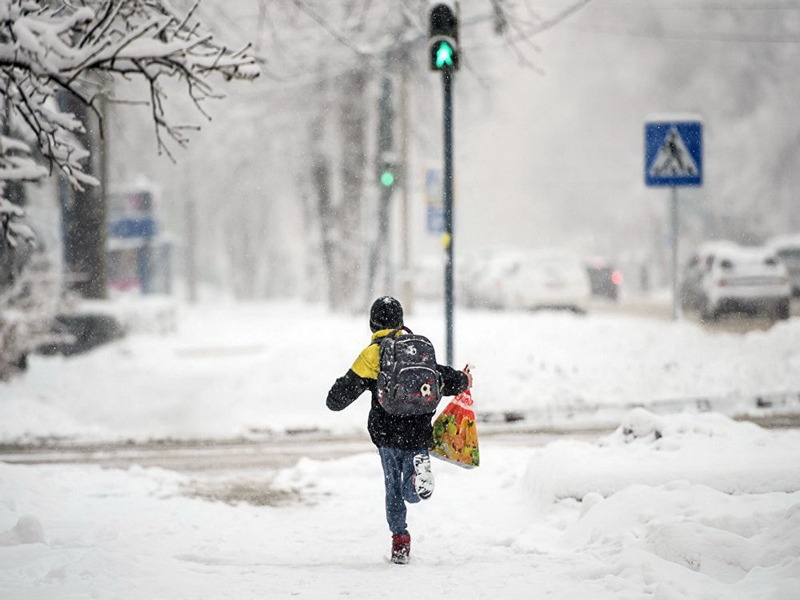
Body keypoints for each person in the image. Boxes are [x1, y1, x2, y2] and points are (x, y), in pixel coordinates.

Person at [326, 296, 472, 564]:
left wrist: (339, 391)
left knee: (393, 488)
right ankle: (417, 481)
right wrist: (464, 379)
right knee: (410, 491)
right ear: (401, 321)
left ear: (373, 323)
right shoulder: (417, 349)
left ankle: (400, 541)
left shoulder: (373, 354)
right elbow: (443, 378)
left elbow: (337, 399)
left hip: (387, 433)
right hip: (418, 430)